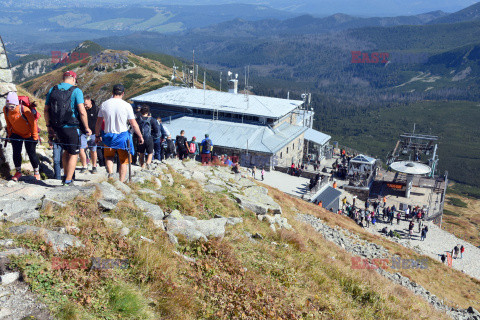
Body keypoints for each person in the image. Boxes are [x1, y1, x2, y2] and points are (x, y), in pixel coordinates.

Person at [45, 71, 91, 185]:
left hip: (57, 127)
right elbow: (82, 111)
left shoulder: (53, 89)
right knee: (74, 153)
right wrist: (87, 128)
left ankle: (65, 176)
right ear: (74, 79)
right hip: (71, 126)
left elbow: (46, 109)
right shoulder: (76, 90)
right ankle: (68, 181)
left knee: (65, 151)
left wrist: (48, 126)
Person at [95, 84, 143, 182]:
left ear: (112, 92)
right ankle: (121, 181)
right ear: (123, 93)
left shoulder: (104, 104)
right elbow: (133, 124)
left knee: (109, 157)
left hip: (108, 135)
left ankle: (111, 173)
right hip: (122, 136)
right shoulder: (127, 105)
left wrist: (97, 135)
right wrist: (140, 136)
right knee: (124, 161)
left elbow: (99, 122)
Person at [3, 92, 41, 181]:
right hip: (16, 133)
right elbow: (8, 123)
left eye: (12, 106)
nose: (10, 108)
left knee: (31, 153)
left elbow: (33, 124)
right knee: (16, 152)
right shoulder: (6, 110)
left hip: (29, 134)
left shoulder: (24, 110)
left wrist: (35, 137)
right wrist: (9, 134)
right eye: (8, 105)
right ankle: (18, 172)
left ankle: (36, 173)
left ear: (16, 104)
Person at [79, 97, 98, 173]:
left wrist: (98, 133)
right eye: (83, 104)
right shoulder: (81, 109)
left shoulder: (96, 109)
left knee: (93, 150)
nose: (85, 106)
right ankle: (84, 166)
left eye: (86, 104)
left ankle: (94, 166)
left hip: (93, 133)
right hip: (83, 132)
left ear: (90, 102)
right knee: (81, 149)